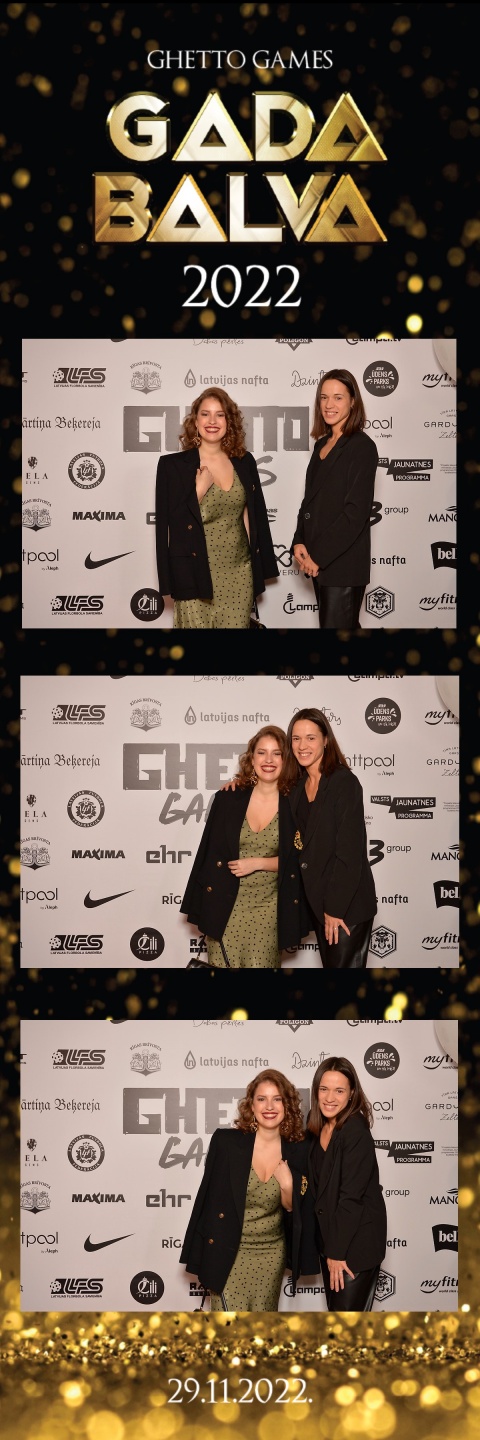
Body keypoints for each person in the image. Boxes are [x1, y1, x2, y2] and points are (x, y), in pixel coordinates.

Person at [180, 1070, 310, 1311]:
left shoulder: (299, 1149)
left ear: (287, 1105)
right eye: (262, 1099)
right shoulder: (226, 1143)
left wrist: (288, 1185)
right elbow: (208, 1200)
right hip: (229, 1254)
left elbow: (293, 1210)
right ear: (251, 1105)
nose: (269, 1106)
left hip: (271, 1255)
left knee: (261, 1328)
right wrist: (204, 1257)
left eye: (277, 1099)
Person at [181, 726, 309, 968]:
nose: (268, 760)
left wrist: (259, 863)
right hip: (225, 910)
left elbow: (304, 860)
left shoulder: (296, 804)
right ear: (252, 758)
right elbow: (209, 854)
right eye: (262, 753)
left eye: (277, 753)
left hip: (269, 910)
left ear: (286, 760)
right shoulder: (228, 798)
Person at [155, 387, 278, 628]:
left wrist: (257, 569)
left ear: (229, 421)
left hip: (238, 573)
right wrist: (198, 491)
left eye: (220, 415)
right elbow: (170, 527)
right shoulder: (173, 466)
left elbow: (250, 518)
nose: (212, 421)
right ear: (195, 421)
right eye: (205, 414)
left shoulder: (244, 461)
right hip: (193, 573)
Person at [285, 708, 376, 968]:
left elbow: (349, 854)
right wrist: (239, 782)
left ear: (326, 740)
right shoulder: (298, 786)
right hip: (319, 903)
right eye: (296, 738)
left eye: (311, 738)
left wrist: (335, 909)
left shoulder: (343, 782)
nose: (302, 746)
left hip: (345, 906)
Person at [292, 369, 378, 628]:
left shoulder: (362, 447)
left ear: (353, 402)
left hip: (343, 565)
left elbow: (355, 514)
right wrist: (299, 540)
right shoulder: (321, 444)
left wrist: (317, 556)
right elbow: (309, 501)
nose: (329, 405)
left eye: (338, 398)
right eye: (324, 397)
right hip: (320, 562)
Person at [305, 1057, 387, 1311]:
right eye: (324, 1089)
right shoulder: (316, 1124)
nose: (330, 1098)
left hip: (354, 1246)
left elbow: (351, 1197)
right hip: (331, 1240)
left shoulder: (355, 1130)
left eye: (339, 1091)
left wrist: (337, 1253)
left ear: (352, 1093)